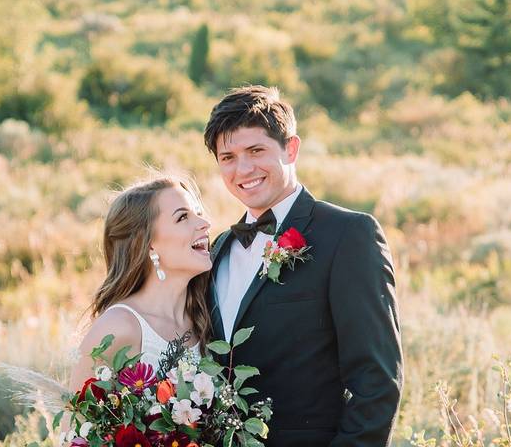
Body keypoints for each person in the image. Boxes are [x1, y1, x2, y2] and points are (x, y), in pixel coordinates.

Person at [204, 85, 403, 447]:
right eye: (227, 157)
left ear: (290, 149)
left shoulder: (348, 235)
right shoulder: (219, 249)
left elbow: (376, 380)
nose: (243, 168)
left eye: (256, 150)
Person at [68, 175, 213, 391]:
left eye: (198, 213)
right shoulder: (119, 326)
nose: (205, 223)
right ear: (149, 244)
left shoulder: (205, 316)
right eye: (183, 217)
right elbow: (74, 422)